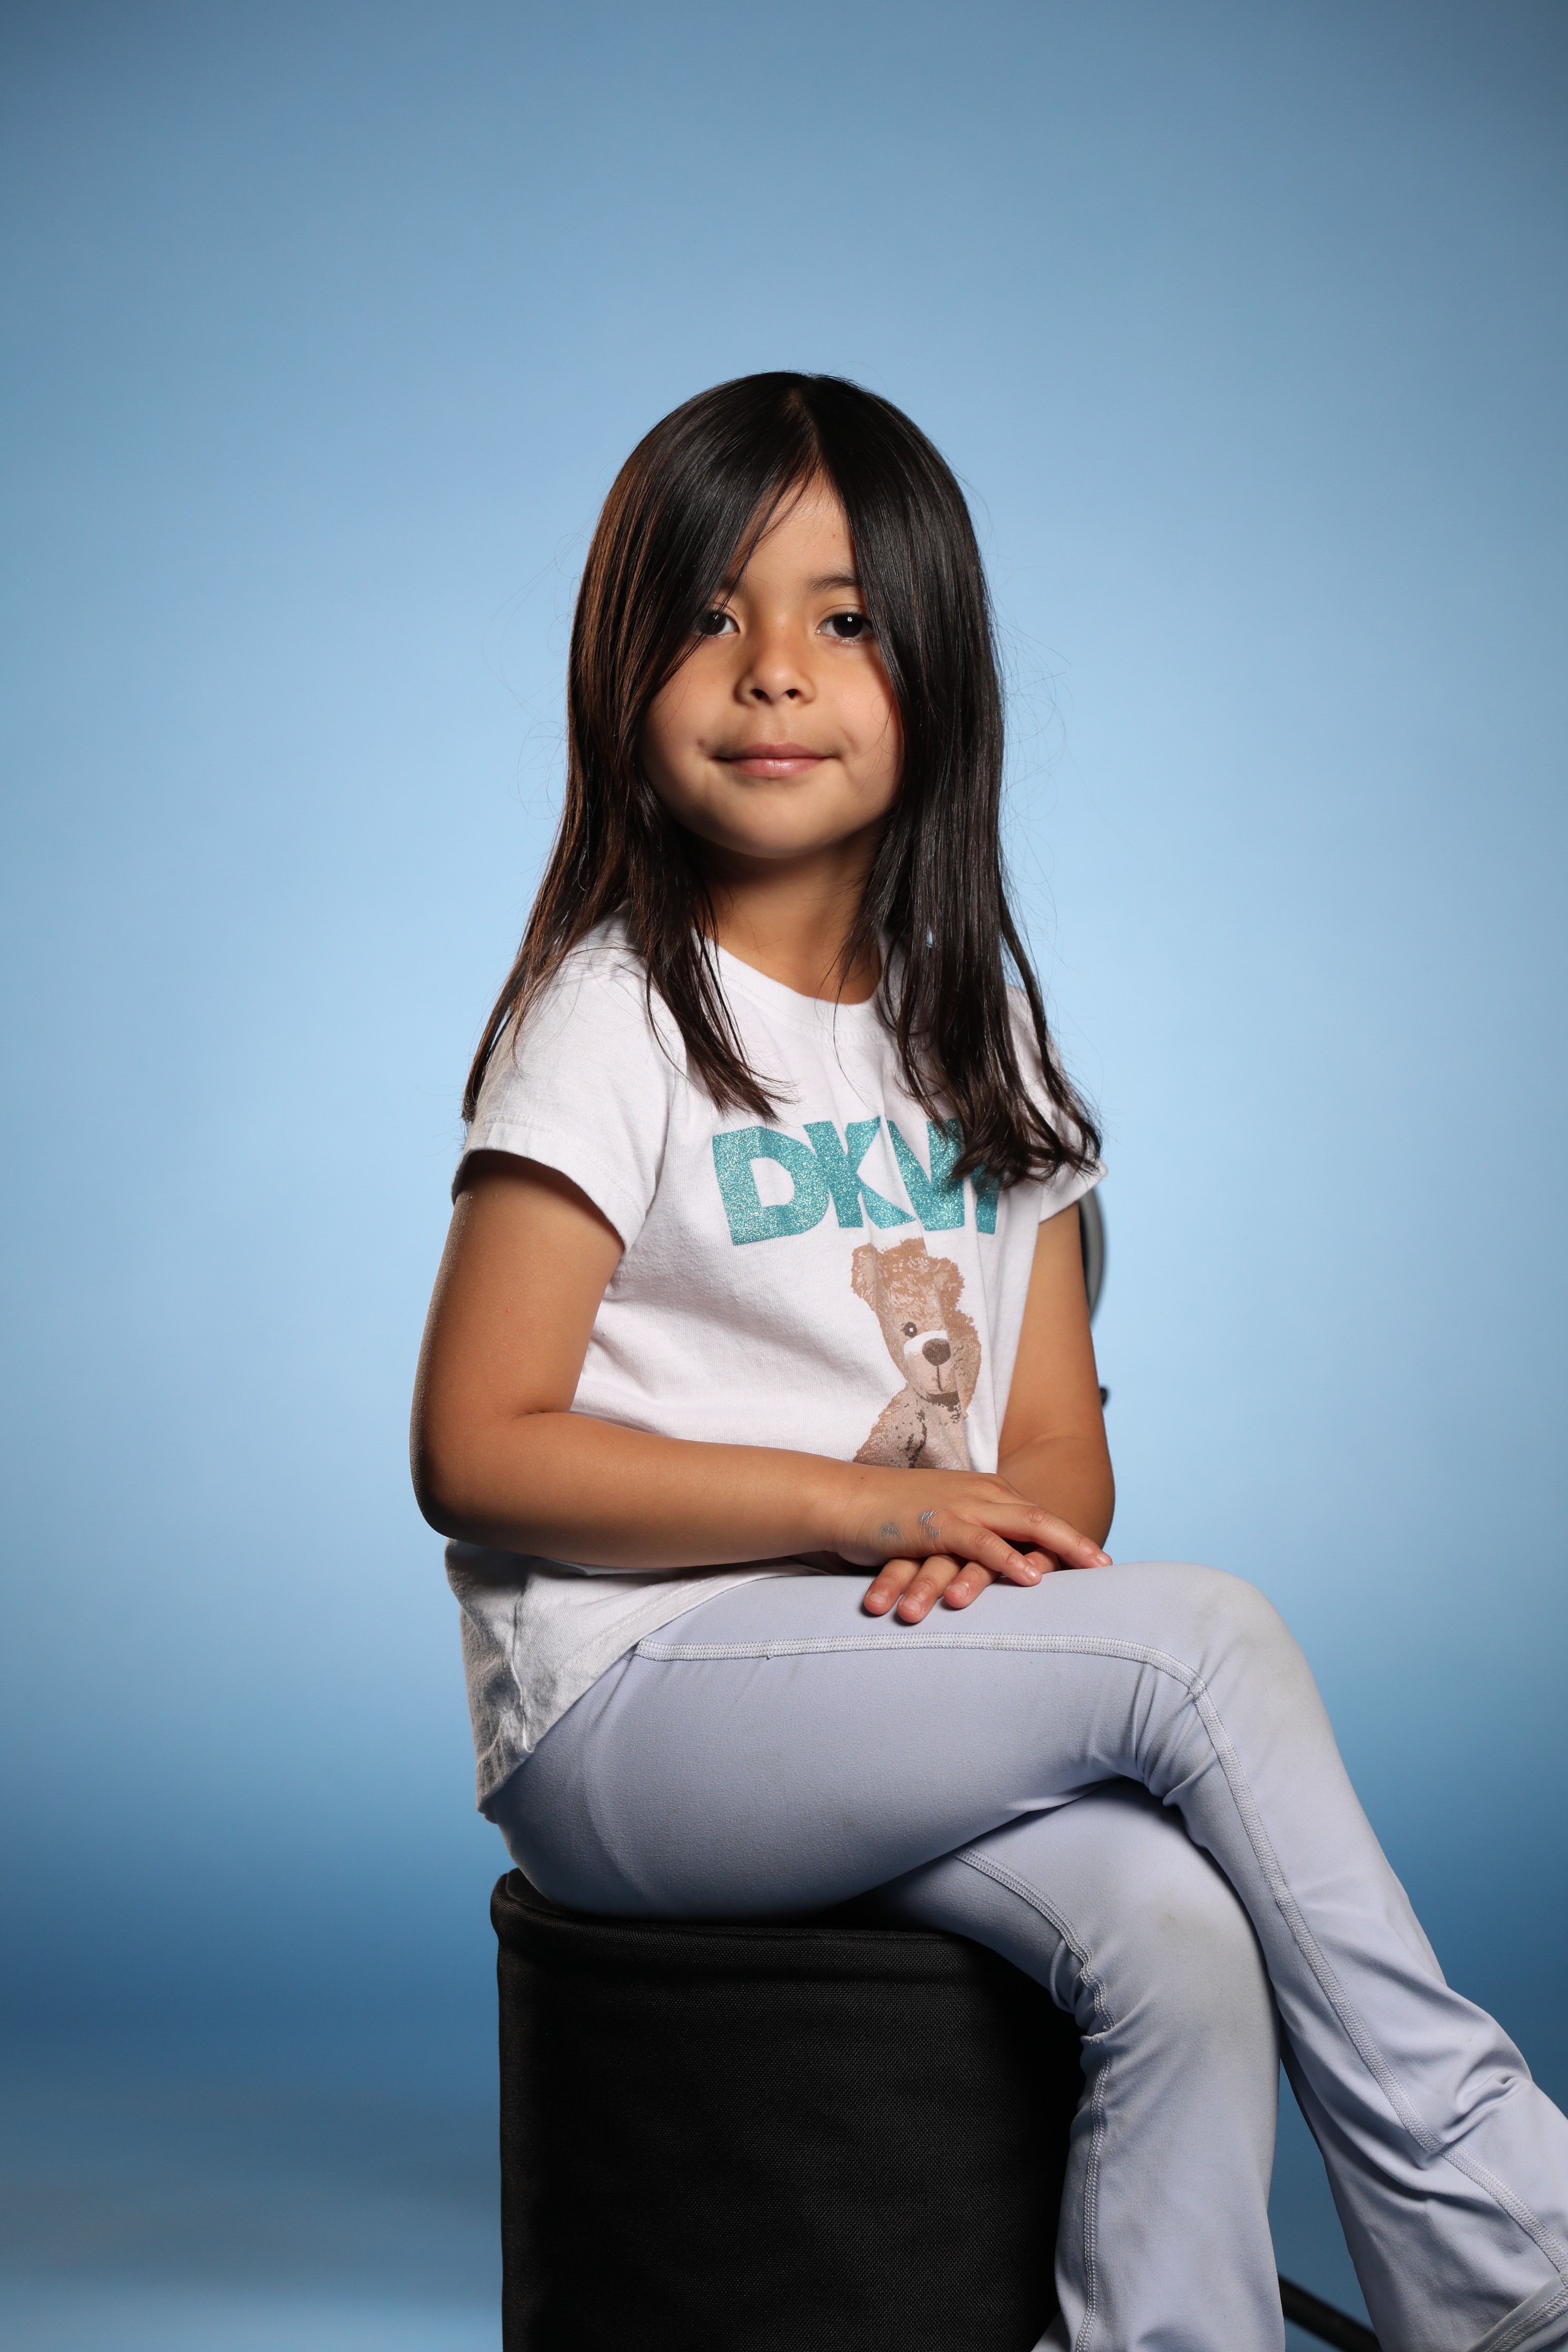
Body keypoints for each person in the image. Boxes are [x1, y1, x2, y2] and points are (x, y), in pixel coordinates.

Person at [411, 373, 1568, 2352]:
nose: (775, 670)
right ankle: (1505, 2246)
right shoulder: (615, 1016)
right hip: (626, 1712)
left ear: (940, 672)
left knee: (1177, 1934)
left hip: (884, 1675)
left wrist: (966, 1575)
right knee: (1201, 1647)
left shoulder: (982, 1038)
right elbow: (475, 1446)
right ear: (621, 670)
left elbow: (1052, 1455)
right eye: (710, 614)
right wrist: (870, 1512)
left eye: (846, 619)